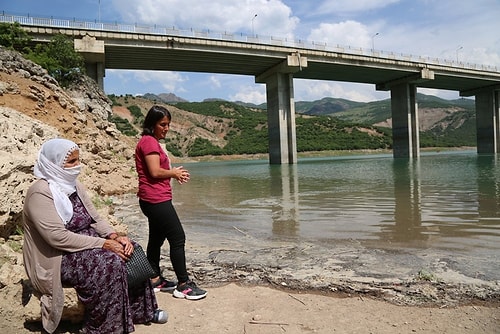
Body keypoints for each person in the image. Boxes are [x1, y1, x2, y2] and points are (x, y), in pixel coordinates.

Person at [22, 138, 168, 334]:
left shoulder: (73, 185)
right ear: (53, 163)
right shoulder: (40, 193)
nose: (77, 166)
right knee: (109, 263)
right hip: (59, 255)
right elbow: (57, 237)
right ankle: (103, 327)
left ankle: (139, 312)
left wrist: (114, 236)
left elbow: (95, 218)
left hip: (86, 242)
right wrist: (104, 244)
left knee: (132, 249)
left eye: (78, 160)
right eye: (71, 162)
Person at [135, 105, 207, 300]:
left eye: (168, 124)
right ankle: (183, 284)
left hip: (152, 199)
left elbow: (155, 171)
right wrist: (174, 173)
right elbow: (154, 172)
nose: (166, 128)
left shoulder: (149, 141)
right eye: (162, 124)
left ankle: (154, 278)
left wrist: (173, 174)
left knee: (156, 240)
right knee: (178, 238)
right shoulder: (149, 142)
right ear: (152, 124)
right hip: (156, 200)